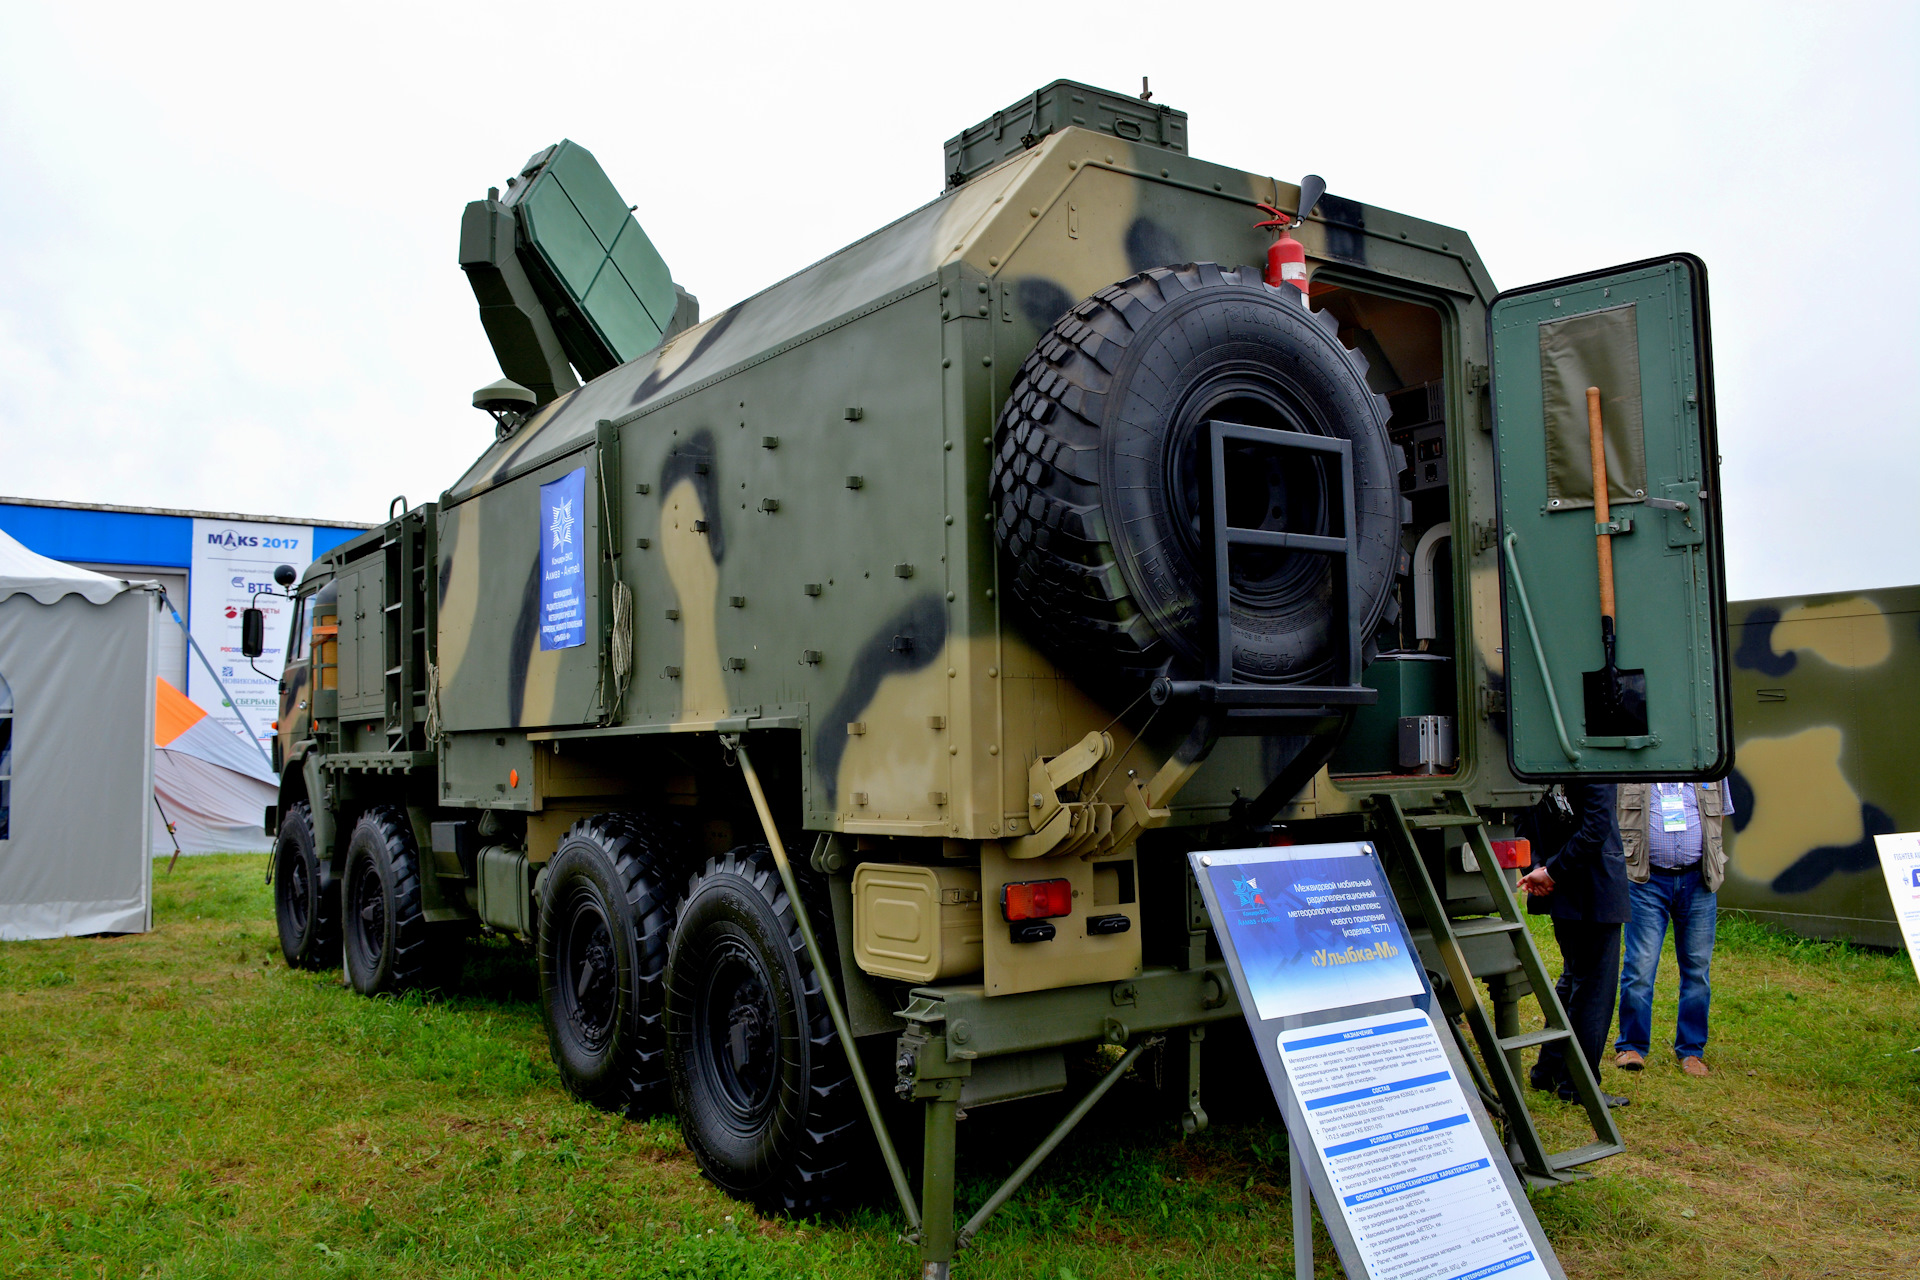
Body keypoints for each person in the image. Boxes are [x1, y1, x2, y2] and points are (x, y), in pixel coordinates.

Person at [1515, 782, 1631, 1108]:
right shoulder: (1592, 763)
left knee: (1575, 978)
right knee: (1594, 988)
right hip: (1591, 889)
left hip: (1560, 889)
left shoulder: (1532, 762)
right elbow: (1595, 830)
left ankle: (1549, 1071)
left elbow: (1524, 823)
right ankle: (1579, 1086)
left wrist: (1539, 869)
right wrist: (1550, 873)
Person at [1613, 780, 1733, 1078]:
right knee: (1640, 966)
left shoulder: (1710, 767)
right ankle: (1632, 1047)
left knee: (1697, 970)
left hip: (1698, 881)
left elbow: (1719, 816)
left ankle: (1691, 1052)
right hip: (1646, 881)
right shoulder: (1635, 768)